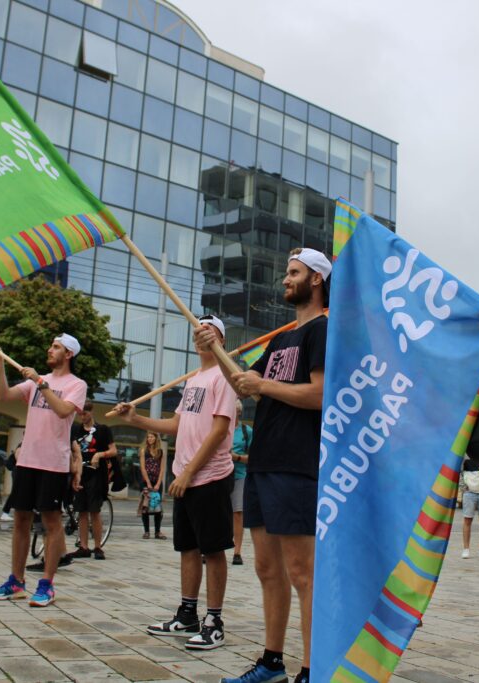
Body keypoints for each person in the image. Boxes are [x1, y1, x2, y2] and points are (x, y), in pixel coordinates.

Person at [219, 247, 329, 683]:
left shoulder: (322, 330)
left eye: (294, 272)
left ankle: (313, 670)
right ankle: (272, 663)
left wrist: (263, 384)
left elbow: (320, 394)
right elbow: (245, 385)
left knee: (303, 573)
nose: (285, 279)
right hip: (263, 464)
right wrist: (216, 350)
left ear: (316, 279)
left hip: (297, 463)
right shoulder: (281, 341)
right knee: (267, 569)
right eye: (287, 272)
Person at [115, 314, 238, 652]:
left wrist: (187, 473)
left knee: (213, 549)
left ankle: (214, 621)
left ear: (220, 340)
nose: (201, 334)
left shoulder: (224, 376)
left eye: (209, 330)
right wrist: (136, 419)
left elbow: (219, 431)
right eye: (197, 329)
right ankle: (187, 614)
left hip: (210, 475)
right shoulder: (194, 380)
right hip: (185, 476)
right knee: (188, 547)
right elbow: (177, 425)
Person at [0, 334, 86, 607]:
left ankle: (47, 584)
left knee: (52, 522)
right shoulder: (36, 381)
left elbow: (63, 411)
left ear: (68, 354)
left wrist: (41, 384)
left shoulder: (76, 384)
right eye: (51, 345)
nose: (50, 350)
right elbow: (4, 395)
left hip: (53, 463)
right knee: (21, 519)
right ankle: (16, 582)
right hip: (28, 460)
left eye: (56, 347)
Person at [67, 402, 116, 560]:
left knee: (94, 511)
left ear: (91, 412)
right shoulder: (76, 430)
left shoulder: (103, 430)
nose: (82, 417)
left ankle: (97, 546)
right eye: (80, 414)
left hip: (96, 474)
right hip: (80, 473)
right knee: (81, 510)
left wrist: (99, 455)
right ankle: (83, 546)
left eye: (85, 413)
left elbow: (113, 450)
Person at [230, 401, 251, 565]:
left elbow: (255, 458)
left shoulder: (246, 431)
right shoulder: (219, 427)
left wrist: (236, 457)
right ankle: (212, 550)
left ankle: (237, 552)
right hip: (219, 475)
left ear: (239, 412)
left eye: (234, 409)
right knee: (217, 514)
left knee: (238, 513)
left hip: (239, 475)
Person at [139, 432, 167, 540]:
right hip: (146, 482)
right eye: (148, 437)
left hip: (157, 483)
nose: (150, 439)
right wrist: (148, 483)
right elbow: (142, 468)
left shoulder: (160, 452)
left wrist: (158, 483)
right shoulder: (143, 451)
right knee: (145, 507)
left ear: (156, 438)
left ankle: (157, 532)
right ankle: (146, 532)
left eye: (152, 437)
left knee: (157, 507)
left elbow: (162, 469)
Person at [460, 461, 479, 559]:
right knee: (467, 520)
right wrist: (463, 487)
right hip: (469, 493)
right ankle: (466, 549)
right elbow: (459, 471)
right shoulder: (466, 457)